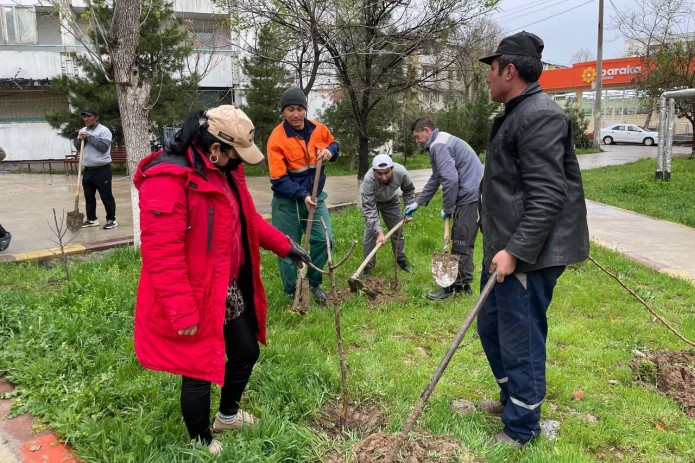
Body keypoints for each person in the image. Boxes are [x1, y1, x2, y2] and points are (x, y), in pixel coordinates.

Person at [133, 105, 311, 455]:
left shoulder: (226, 171)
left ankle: (227, 415)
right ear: (215, 148)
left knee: (246, 350)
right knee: (198, 367)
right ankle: (201, 441)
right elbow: (161, 252)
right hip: (193, 290)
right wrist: (182, 310)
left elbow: (248, 219)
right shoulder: (168, 180)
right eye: (237, 155)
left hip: (225, 283)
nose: (241, 162)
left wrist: (283, 245)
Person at [476, 31, 589, 447]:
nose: (487, 77)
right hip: (507, 248)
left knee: (520, 337)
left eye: (491, 68)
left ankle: (522, 428)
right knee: (491, 327)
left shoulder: (540, 115)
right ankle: (512, 401)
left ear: (509, 70)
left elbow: (547, 196)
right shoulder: (515, 111)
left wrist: (515, 252)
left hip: (529, 254)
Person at [266, 87, 339, 303]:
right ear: (283, 111)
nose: (296, 114)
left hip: (315, 197)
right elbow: (278, 180)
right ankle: (292, 291)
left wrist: (330, 152)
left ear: (305, 110)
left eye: (299, 109)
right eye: (290, 109)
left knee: (324, 240)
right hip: (287, 200)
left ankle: (313, 284)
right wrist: (302, 194)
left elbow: (334, 144)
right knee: (287, 246)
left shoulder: (318, 129)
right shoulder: (277, 139)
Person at [405, 117, 483, 300]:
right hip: (472, 193)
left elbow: (450, 180)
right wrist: (419, 202)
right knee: (463, 242)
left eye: (417, 137)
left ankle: (454, 288)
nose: (417, 141)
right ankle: (463, 285)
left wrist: (448, 208)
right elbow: (437, 177)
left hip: (469, 195)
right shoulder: (442, 141)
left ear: (426, 130)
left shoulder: (438, 145)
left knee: (461, 242)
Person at [359, 154, 415, 276]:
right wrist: (379, 232)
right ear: (374, 171)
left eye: (387, 172)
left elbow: (409, 189)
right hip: (372, 202)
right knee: (370, 234)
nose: (383, 177)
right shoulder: (368, 180)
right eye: (379, 174)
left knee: (397, 231)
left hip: (391, 201)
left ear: (392, 168)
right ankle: (368, 266)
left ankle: (401, 260)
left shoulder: (401, 172)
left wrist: (409, 208)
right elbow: (369, 210)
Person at [73, 108, 118, 229]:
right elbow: (78, 147)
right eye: (84, 117)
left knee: (106, 196)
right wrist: (79, 139)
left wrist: (88, 137)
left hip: (102, 169)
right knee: (89, 196)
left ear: (96, 117)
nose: (86, 119)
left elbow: (103, 147)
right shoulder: (82, 130)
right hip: (88, 169)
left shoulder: (104, 131)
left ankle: (111, 219)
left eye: (89, 116)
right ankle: (92, 219)